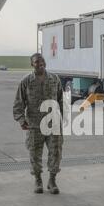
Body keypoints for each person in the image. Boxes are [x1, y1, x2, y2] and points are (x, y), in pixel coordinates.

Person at [13, 53, 64, 194]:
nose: (40, 63)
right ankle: (38, 180)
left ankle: (52, 180)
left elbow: (61, 100)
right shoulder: (26, 81)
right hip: (34, 125)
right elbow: (18, 103)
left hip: (53, 123)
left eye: (42, 61)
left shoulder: (54, 79)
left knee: (56, 152)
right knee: (35, 154)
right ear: (32, 64)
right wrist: (21, 120)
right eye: (36, 62)